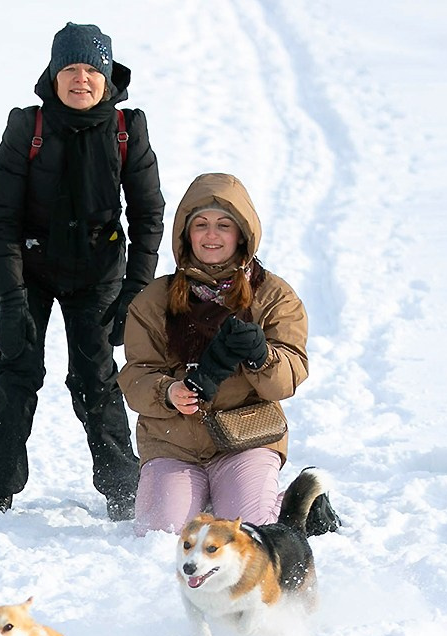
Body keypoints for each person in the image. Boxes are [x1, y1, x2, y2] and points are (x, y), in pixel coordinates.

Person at [0, 21, 164, 520]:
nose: (80, 79)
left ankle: (125, 492)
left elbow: (147, 215)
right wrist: (11, 297)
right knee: (18, 371)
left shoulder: (128, 130)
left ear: (106, 76)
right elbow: (1, 218)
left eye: (90, 70)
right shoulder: (27, 127)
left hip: (98, 273)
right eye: (70, 69)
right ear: (54, 74)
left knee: (97, 378)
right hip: (29, 270)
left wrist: (135, 292)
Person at [119, 172, 310, 532]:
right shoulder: (154, 300)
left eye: (224, 225)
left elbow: (290, 375)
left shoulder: (274, 296)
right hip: (172, 441)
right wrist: (168, 391)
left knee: (250, 532)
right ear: (185, 233)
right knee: (163, 535)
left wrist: (261, 356)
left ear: (242, 234)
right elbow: (135, 375)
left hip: (244, 439)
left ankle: (296, 503)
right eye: (201, 224)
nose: (211, 235)